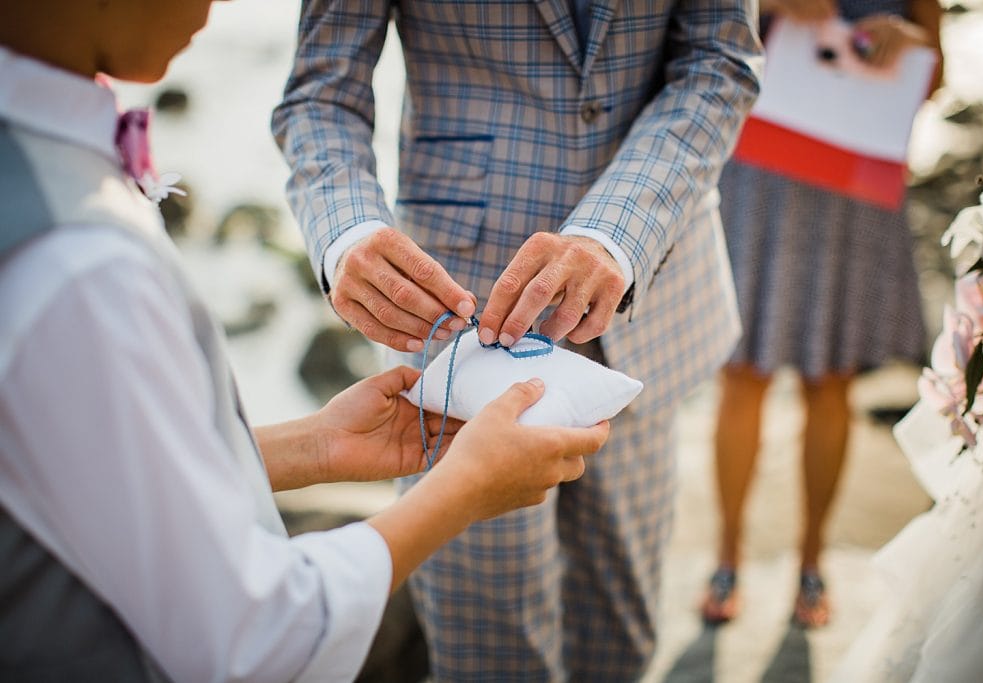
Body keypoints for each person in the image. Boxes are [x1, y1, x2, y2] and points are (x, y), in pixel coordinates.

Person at [0, 2, 610, 681]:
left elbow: (90, 470)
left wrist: (314, 445)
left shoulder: (38, 183)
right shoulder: (77, 266)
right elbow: (251, 638)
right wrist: (463, 488)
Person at [273, 1, 762, 679]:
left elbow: (720, 63)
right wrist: (347, 231)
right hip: (454, 317)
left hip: (645, 299)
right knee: (489, 650)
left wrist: (617, 232)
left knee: (619, 637)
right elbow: (319, 94)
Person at [700, 0, 942, 628]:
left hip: (853, 175)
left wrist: (906, 40)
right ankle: (727, 558)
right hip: (762, 164)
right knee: (743, 371)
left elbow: (937, 74)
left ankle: (811, 565)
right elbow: (697, 28)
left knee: (831, 378)